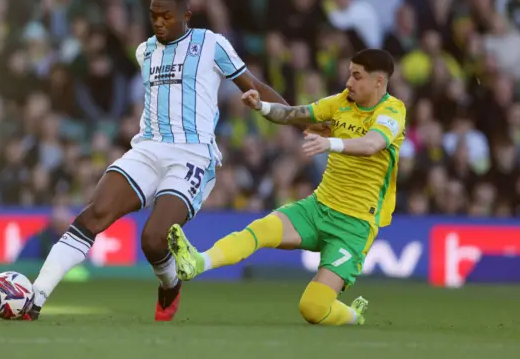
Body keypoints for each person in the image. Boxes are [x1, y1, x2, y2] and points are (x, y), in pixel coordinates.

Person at [0, 0, 318, 321]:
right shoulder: (145, 52)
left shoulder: (211, 44)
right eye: (153, 15)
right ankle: (36, 298)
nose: (158, 22)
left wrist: (302, 119)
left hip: (192, 155)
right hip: (147, 148)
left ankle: (170, 284)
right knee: (93, 214)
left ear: (186, 16)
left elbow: (257, 87)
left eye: (166, 16)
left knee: (153, 239)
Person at [168, 49, 406, 326]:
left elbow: (372, 144)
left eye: (356, 76)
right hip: (317, 208)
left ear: (379, 81)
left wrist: (330, 143)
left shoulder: (392, 110)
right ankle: (197, 262)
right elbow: (294, 114)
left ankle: (354, 316)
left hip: (354, 225)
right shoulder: (341, 102)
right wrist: (261, 107)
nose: (348, 82)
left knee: (313, 309)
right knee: (260, 229)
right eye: (348, 74)